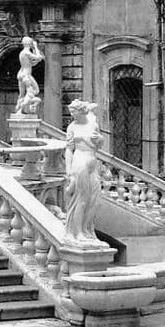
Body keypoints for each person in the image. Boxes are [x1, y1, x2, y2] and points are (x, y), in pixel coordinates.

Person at [62, 100, 105, 245]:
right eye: (71, 111)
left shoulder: (93, 124)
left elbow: (98, 144)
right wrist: (68, 169)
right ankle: (77, 232)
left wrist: (100, 139)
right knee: (81, 198)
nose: (71, 114)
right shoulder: (72, 127)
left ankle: (87, 230)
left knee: (94, 199)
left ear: (81, 111)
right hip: (79, 161)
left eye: (73, 111)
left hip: (92, 160)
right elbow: (69, 149)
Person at [14, 36, 42, 115]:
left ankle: (19, 108)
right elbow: (39, 58)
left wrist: (35, 59)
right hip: (26, 75)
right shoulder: (27, 52)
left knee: (22, 94)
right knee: (35, 91)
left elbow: (30, 64)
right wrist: (36, 47)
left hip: (21, 74)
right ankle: (22, 108)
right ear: (30, 43)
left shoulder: (22, 53)